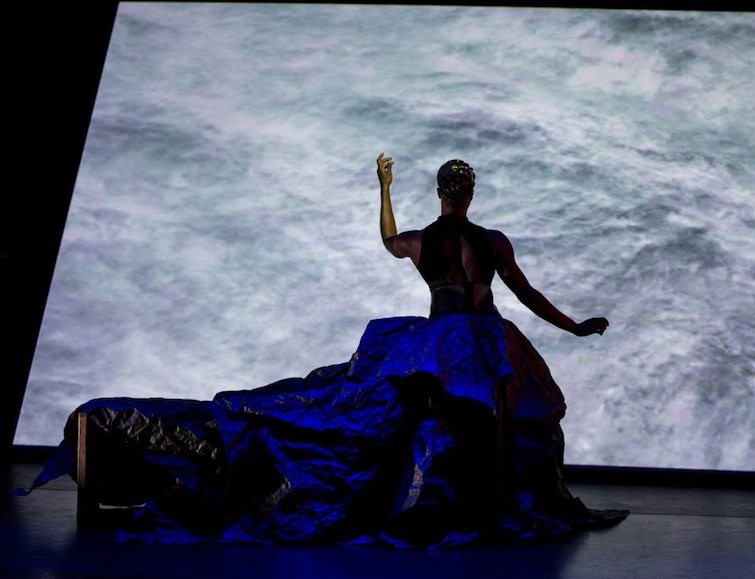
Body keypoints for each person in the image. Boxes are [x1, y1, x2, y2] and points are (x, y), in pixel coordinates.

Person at [21, 155, 627, 548]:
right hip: (488, 338)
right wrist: (574, 328)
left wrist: (384, 187)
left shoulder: (422, 242)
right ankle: (484, 503)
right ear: (469, 193)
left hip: (441, 339)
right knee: (501, 421)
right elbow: (527, 294)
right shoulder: (493, 240)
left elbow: (388, 240)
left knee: (373, 412)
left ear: (441, 193)